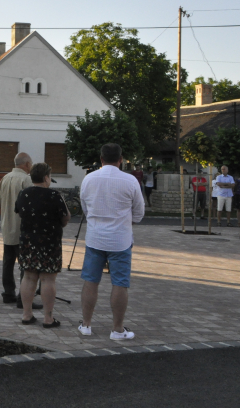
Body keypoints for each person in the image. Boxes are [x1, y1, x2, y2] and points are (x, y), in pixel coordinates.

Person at [78, 143, 145, 341]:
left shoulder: (88, 179)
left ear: (101, 159)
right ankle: (117, 329)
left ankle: (86, 325)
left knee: (90, 281)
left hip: (95, 238)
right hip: (120, 240)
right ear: (120, 160)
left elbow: (85, 208)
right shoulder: (130, 181)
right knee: (120, 283)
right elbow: (139, 213)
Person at [16, 162, 71, 328]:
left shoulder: (23, 194)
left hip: (27, 241)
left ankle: (27, 315)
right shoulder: (54, 195)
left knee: (28, 276)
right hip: (49, 241)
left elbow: (18, 211)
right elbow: (65, 216)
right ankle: (48, 318)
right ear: (46, 177)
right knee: (48, 279)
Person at [0, 152, 39, 309]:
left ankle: (8, 293)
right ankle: (24, 297)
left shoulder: (5, 178)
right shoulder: (26, 179)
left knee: (8, 262)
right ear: (27, 164)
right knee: (26, 265)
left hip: (7, 227)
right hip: (22, 228)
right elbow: (31, 206)